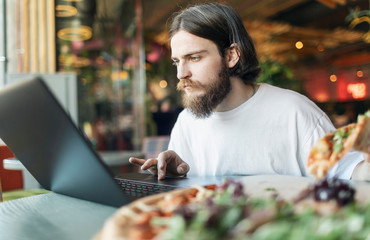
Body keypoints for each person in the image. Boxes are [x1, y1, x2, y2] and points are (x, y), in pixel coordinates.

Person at [130, 3, 368, 181]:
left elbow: (350, 174)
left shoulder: (294, 112)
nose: (182, 73)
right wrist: (173, 177)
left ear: (231, 55)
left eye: (194, 58)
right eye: (177, 61)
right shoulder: (187, 122)